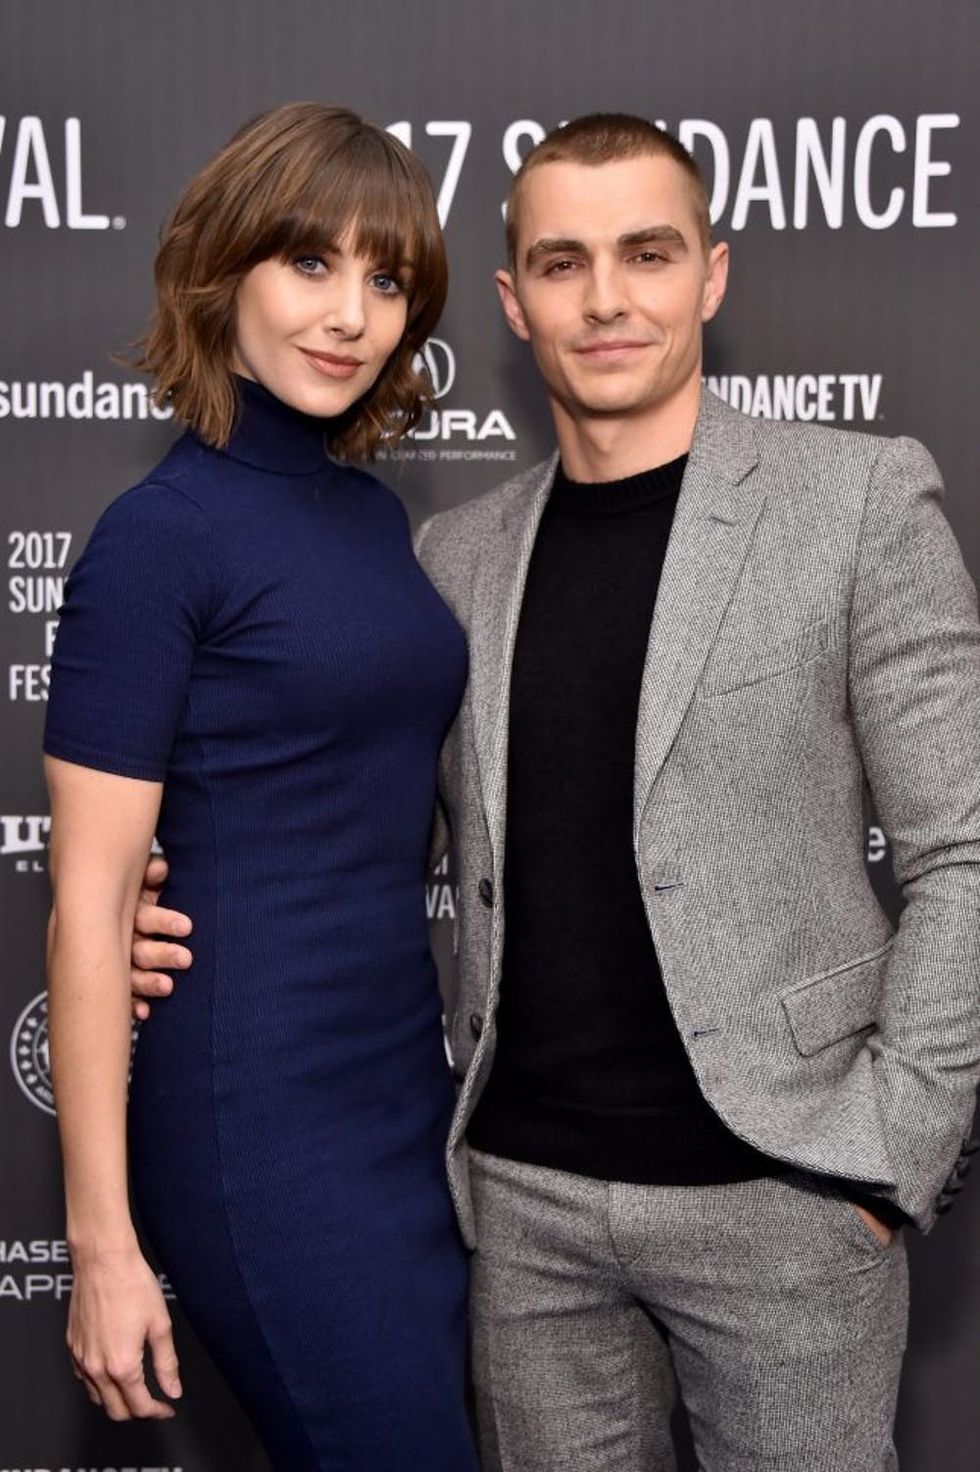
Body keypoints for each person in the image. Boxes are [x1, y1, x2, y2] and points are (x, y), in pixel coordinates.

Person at [132, 114, 980, 1470]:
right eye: (564, 263)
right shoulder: (456, 557)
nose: (607, 298)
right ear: (517, 302)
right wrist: (160, 900)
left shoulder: (859, 501)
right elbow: (329, 808)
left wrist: (888, 1155)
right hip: (519, 1213)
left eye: (646, 254)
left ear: (710, 274)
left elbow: (966, 853)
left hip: (786, 1196)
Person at [43, 102, 479, 1472]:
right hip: (260, 1119)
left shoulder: (371, 516)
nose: (352, 313)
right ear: (221, 268)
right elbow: (92, 903)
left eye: (388, 277)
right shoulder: (156, 541)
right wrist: (102, 1250)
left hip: (406, 1094)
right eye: (309, 264)